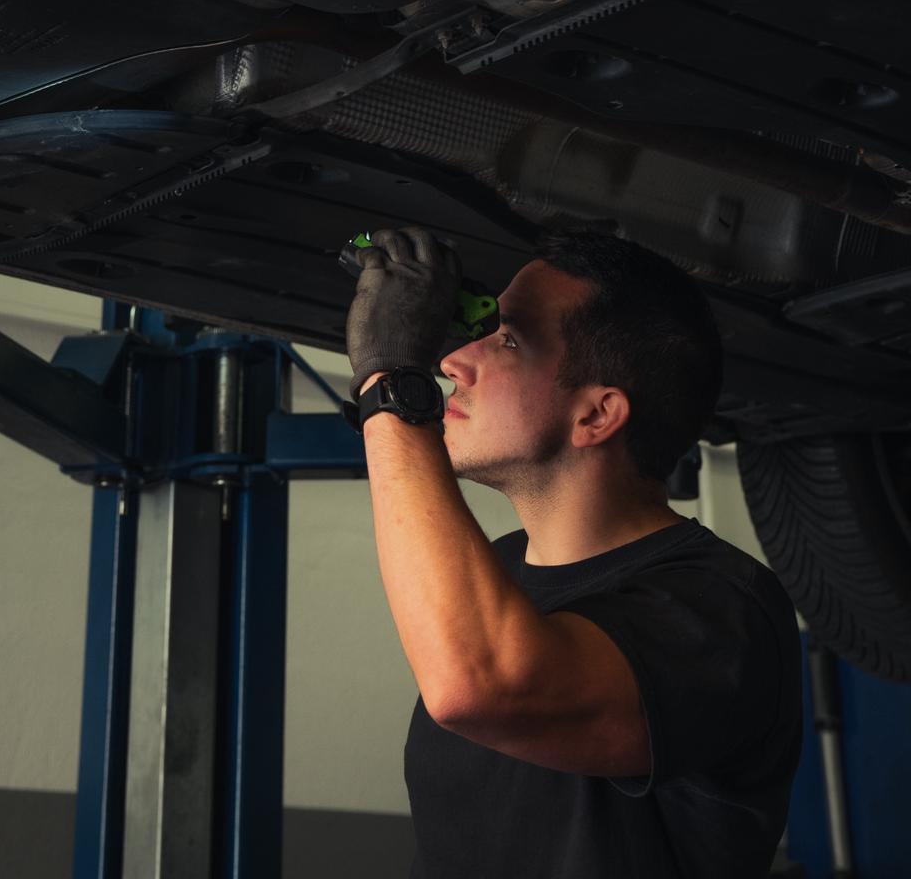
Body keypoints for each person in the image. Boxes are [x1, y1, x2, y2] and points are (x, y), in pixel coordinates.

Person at [343, 225, 802, 879]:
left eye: (506, 340)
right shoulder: (495, 573)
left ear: (596, 416)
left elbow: (482, 688)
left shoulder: (725, 609)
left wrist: (390, 385)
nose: (453, 362)